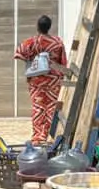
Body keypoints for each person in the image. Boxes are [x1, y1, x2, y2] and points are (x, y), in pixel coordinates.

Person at [14, 14, 67, 145]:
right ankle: (50, 135)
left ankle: (38, 137)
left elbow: (18, 53)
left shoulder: (31, 42)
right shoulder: (58, 42)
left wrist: (32, 58)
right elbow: (63, 62)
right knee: (51, 107)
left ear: (38, 27)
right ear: (49, 27)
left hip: (36, 81)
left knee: (38, 107)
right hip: (53, 80)